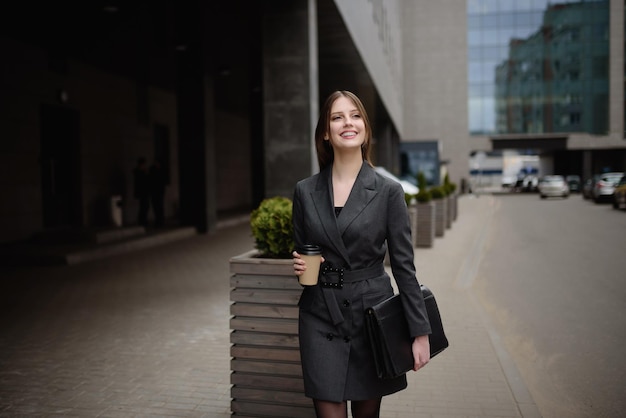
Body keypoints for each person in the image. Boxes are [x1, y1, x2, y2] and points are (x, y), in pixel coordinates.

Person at [292, 90, 432, 418]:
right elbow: (302, 251)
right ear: (326, 131)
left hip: (371, 317)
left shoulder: (387, 192)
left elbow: (403, 267)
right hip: (319, 314)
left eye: (355, 115)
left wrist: (419, 331)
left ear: (365, 128)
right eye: (337, 117)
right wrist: (300, 265)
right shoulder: (304, 190)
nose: (348, 123)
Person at [133, 157, 150, 227]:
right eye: (144, 164)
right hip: (142, 192)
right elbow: (140, 183)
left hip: (144, 192)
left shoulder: (141, 172)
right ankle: (142, 222)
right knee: (144, 207)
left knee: (145, 207)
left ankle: (143, 221)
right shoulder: (139, 172)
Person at [149, 159, 166, 227]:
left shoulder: (160, 171)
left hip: (159, 192)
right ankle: (158, 221)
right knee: (156, 207)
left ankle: (160, 221)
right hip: (155, 192)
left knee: (159, 207)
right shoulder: (153, 171)